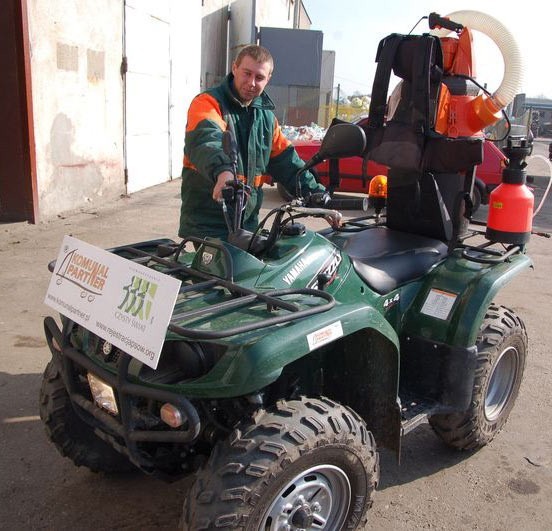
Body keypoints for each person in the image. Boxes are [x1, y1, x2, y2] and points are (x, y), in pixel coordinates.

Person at [178, 44, 325, 240]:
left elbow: (289, 164)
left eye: (259, 77)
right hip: (209, 223)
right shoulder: (208, 103)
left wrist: (320, 198)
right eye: (247, 73)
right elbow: (207, 139)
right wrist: (224, 172)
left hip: (247, 223)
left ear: (268, 79)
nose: (252, 83)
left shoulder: (267, 119)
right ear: (234, 68)